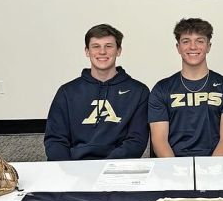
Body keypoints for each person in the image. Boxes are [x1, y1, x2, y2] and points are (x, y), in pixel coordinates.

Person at [44, 24, 149, 160]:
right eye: (96, 46)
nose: (102, 52)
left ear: (118, 51)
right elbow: (55, 140)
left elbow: (136, 141)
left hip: (117, 170)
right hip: (75, 169)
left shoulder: (139, 92)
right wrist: (69, 169)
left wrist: (106, 168)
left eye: (109, 46)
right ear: (87, 51)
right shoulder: (67, 92)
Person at [148, 18, 223, 157]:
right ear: (178, 47)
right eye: (186, 41)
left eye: (200, 41)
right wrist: (174, 172)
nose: (193, 47)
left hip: (216, 168)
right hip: (172, 167)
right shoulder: (161, 89)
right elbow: (159, 141)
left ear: (208, 46)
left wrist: (211, 172)